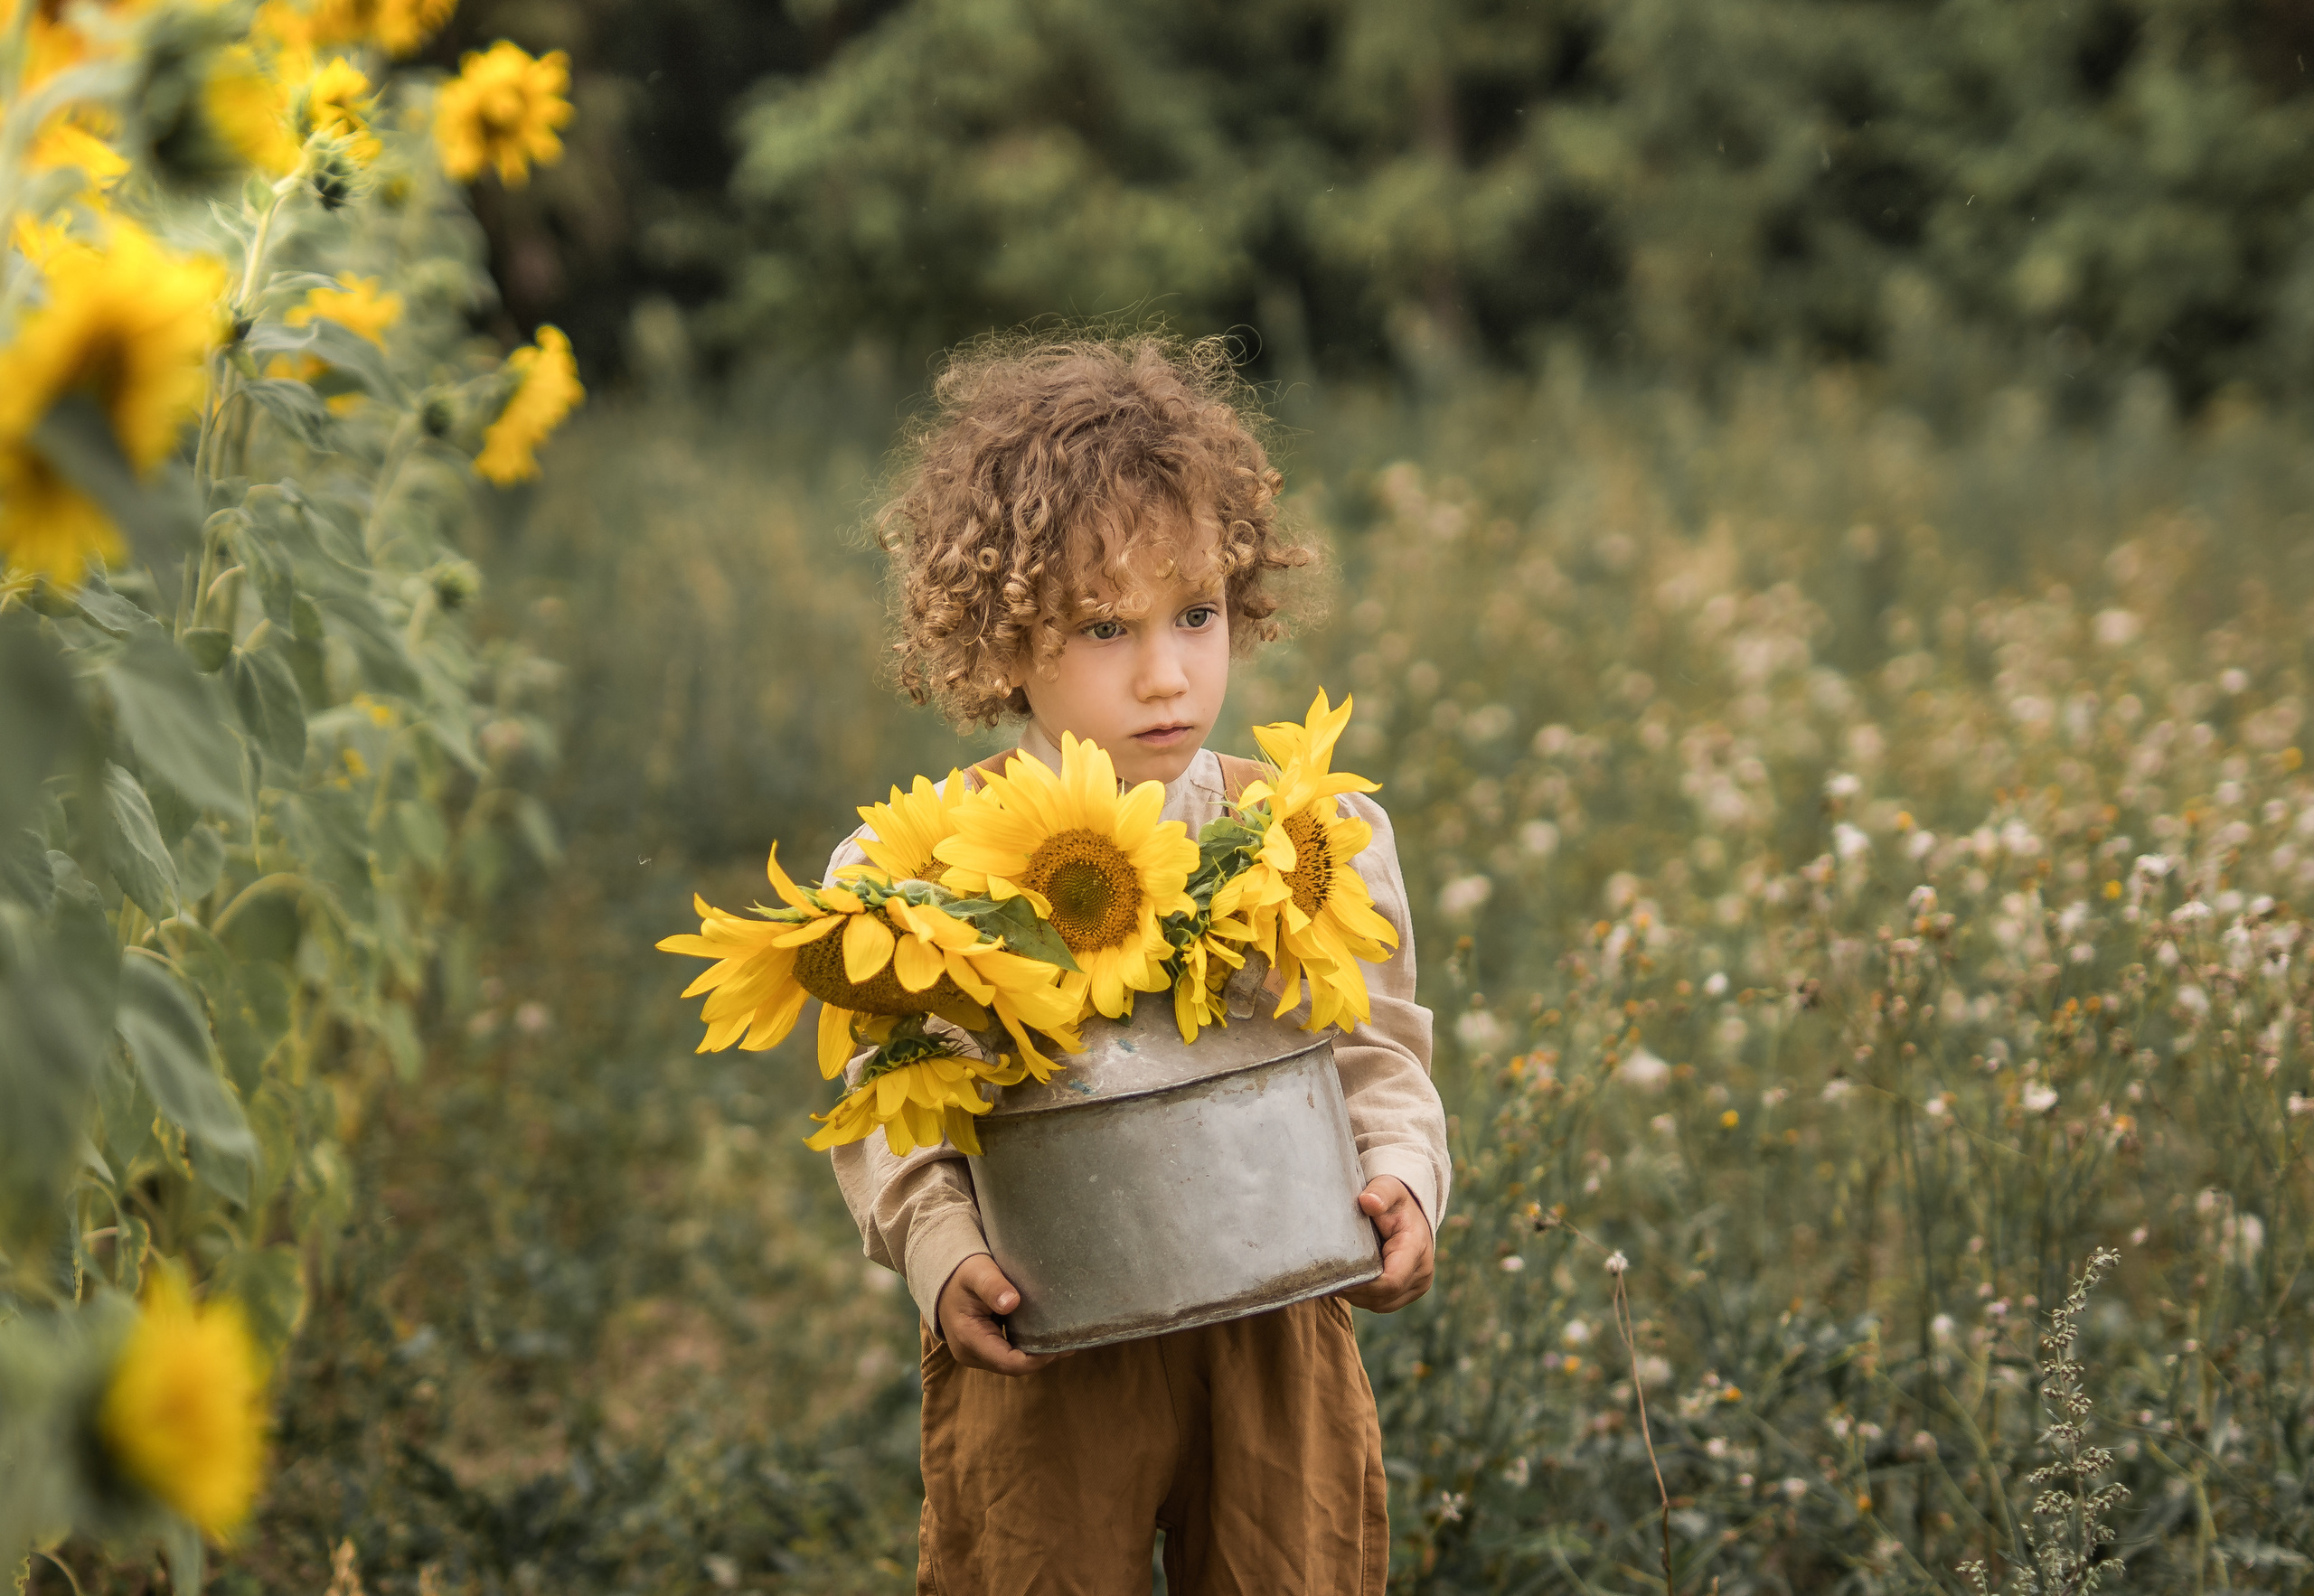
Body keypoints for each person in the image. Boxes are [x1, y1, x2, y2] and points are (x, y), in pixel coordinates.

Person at [822, 333, 1449, 1593]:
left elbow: (1379, 1046)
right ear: (1003, 640)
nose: (1167, 675)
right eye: (1104, 625)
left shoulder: (1313, 835)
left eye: (1197, 613)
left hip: (1277, 1310)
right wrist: (942, 1251)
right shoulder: (915, 876)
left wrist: (1402, 1173)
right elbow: (887, 1112)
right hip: (1046, 1318)